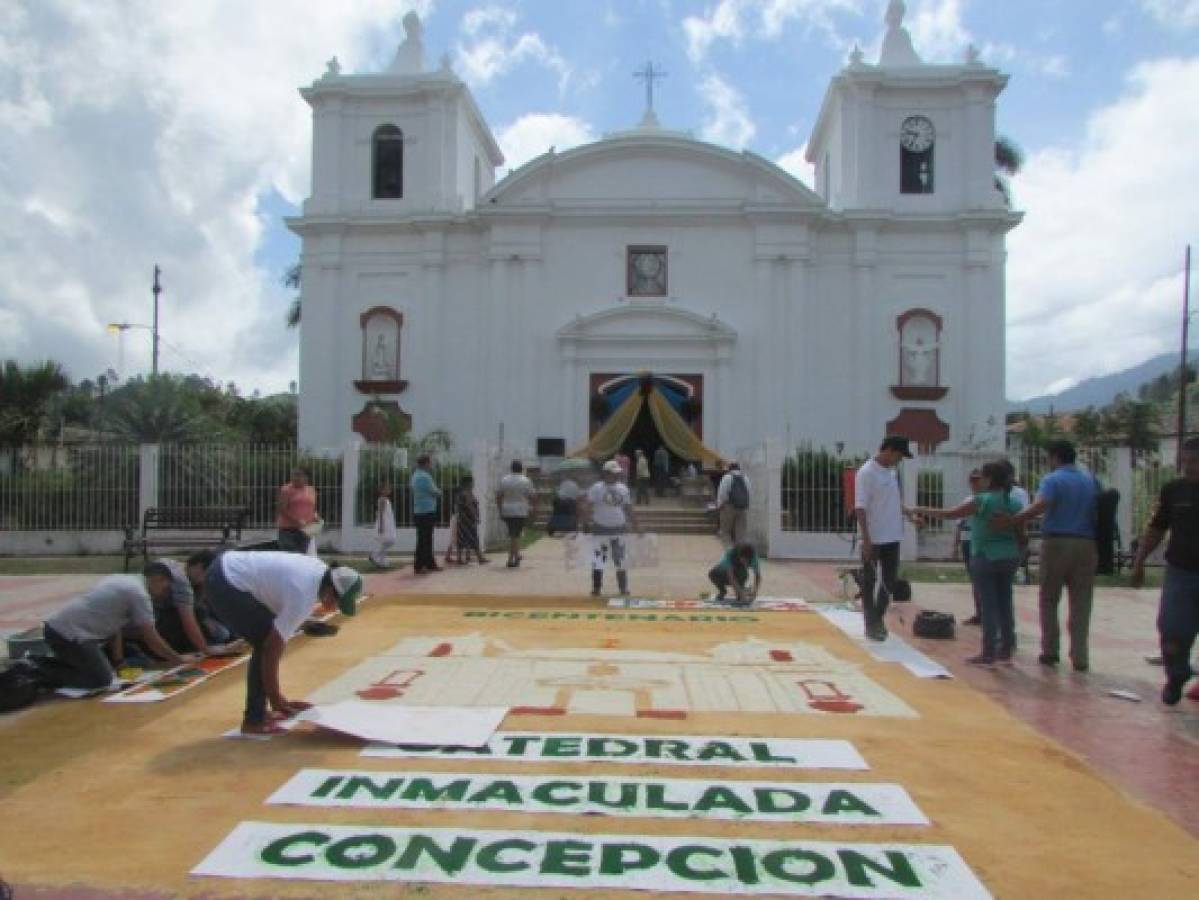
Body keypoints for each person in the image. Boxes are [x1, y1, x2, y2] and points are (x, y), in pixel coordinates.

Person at [204, 550, 362, 735]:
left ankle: (260, 712)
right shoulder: (303, 593)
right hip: (226, 581)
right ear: (329, 591)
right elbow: (272, 648)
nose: (335, 608)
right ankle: (254, 721)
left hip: (227, 568)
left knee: (265, 636)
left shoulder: (319, 573)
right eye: (337, 602)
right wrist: (276, 698)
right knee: (263, 641)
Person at [998, 440, 1099, 671]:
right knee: (1082, 600)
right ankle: (1080, 655)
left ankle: (1050, 650)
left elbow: (1041, 505)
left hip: (1057, 541)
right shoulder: (1090, 479)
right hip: (1086, 542)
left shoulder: (1053, 479)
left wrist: (1015, 520)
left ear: (1055, 457)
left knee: (1049, 598)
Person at [913, 461, 1025, 666]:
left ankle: (988, 651)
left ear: (989, 479)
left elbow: (951, 514)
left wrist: (920, 508)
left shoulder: (982, 501)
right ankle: (1006, 646)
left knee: (988, 605)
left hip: (984, 555)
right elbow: (1021, 534)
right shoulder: (1014, 503)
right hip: (1008, 556)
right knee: (1005, 602)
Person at [39, 574, 197, 691]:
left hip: (65, 630)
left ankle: (56, 666)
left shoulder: (126, 580)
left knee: (109, 670)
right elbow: (151, 637)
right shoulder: (140, 595)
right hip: (69, 634)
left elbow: (116, 627)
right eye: (165, 587)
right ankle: (39, 670)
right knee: (100, 680)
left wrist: (119, 661)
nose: (164, 592)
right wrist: (178, 659)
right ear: (157, 579)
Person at [1131, 437, 1199, 704]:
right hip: (1180, 572)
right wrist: (1139, 562)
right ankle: (1176, 674)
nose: (1189, 467)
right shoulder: (1173, 490)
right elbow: (1157, 528)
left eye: (1195, 462)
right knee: (1171, 628)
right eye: (1185, 462)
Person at [854, 436, 919, 642]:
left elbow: (893, 500)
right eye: (899, 455)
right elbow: (860, 507)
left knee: (889, 582)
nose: (899, 460)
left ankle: (878, 618)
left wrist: (909, 514)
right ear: (889, 450)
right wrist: (866, 539)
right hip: (874, 536)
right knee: (869, 581)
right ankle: (871, 624)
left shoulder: (891, 473)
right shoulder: (866, 473)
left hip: (892, 536)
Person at [134, 560, 238, 657]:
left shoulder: (147, 586)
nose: (163, 592)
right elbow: (150, 633)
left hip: (155, 619)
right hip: (150, 625)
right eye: (164, 589)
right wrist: (205, 650)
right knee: (220, 633)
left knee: (221, 632)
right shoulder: (142, 595)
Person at [581, 459, 642, 596]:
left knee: (620, 559)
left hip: (619, 527)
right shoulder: (596, 488)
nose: (616, 476)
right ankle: (596, 588)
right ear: (605, 473)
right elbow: (587, 506)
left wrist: (636, 525)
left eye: (617, 473)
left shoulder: (623, 488)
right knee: (598, 560)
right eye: (613, 473)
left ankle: (623, 588)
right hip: (600, 527)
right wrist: (586, 523)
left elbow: (628, 509)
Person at [952, 469, 984, 626]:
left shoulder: (986, 499)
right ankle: (979, 613)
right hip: (968, 540)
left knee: (983, 579)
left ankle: (986, 613)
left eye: (977, 480)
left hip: (981, 541)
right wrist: (955, 545)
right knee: (975, 579)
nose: (974, 484)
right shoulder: (968, 500)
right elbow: (959, 523)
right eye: (972, 480)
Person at [496, 460, 537, 568]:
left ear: (511, 468)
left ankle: (517, 555)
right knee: (515, 535)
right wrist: (533, 508)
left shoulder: (504, 480)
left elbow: (499, 496)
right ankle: (510, 559)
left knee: (514, 533)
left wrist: (500, 510)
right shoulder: (526, 481)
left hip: (507, 509)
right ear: (521, 469)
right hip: (520, 510)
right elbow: (533, 496)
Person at [410, 454, 442, 574]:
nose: (431, 465)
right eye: (430, 463)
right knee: (425, 540)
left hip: (418, 511)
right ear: (425, 463)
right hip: (427, 511)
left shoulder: (414, 476)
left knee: (424, 539)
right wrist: (439, 492)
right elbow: (434, 491)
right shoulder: (425, 477)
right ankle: (420, 565)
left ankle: (428, 563)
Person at [276, 467, 320, 554]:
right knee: (290, 556)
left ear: (306, 477)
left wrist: (315, 516)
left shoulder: (311, 490)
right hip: (288, 530)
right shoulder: (286, 490)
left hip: (306, 530)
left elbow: (311, 507)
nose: (295, 478)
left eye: (299, 475)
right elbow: (282, 508)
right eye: (294, 475)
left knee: (302, 556)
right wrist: (296, 520)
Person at [709, 542, 762, 607]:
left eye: (747, 561)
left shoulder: (754, 558)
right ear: (739, 556)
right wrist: (740, 593)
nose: (745, 562)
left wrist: (755, 592)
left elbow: (758, 576)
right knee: (712, 574)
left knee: (743, 573)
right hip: (724, 571)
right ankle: (723, 591)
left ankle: (743, 590)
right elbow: (731, 577)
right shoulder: (730, 554)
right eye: (744, 560)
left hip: (741, 572)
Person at [453, 474, 488, 565]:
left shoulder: (460, 493)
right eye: (472, 482)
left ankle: (459, 558)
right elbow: (469, 506)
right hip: (468, 520)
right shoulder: (467, 493)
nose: (473, 484)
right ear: (468, 483)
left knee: (461, 539)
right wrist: (475, 516)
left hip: (461, 519)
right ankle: (480, 558)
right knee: (474, 538)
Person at [716, 461, 751, 548]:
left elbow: (722, 494)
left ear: (729, 468)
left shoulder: (727, 477)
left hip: (728, 507)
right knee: (741, 534)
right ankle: (740, 556)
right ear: (738, 468)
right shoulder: (745, 478)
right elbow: (749, 493)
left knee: (725, 532)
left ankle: (730, 553)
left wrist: (719, 506)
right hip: (742, 508)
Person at [369, 481, 398, 569]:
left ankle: (382, 562)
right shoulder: (382, 500)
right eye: (387, 488)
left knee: (386, 542)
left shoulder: (386, 500)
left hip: (388, 522)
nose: (389, 490)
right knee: (389, 540)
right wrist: (381, 525)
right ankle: (374, 555)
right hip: (385, 523)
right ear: (382, 490)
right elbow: (381, 513)